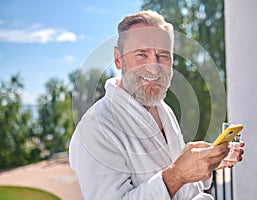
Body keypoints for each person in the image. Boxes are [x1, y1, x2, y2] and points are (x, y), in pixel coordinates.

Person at [69, 10, 244, 200]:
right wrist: (176, 176)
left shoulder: (162, 109)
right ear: (118, 58)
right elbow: (176, 174)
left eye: (163, 55)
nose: (154, 68)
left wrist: (208, 161)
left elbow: (182, 182)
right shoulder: (95, 127)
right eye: (141, 54)